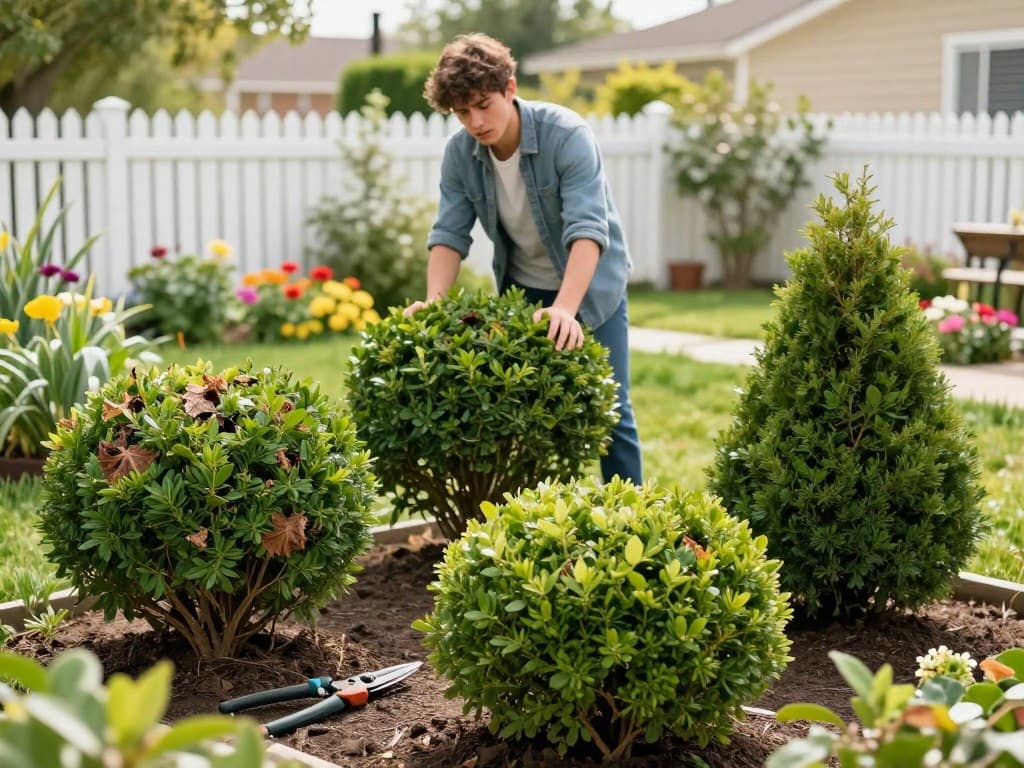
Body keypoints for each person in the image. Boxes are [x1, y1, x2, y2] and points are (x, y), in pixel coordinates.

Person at [405, 33, 642, 484]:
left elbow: (588, 229)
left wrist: (567, 309)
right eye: (461, 112)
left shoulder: (566, 135)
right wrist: (434, 303)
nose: (475, 121)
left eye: (483, 104)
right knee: (530, 415)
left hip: (592, 287)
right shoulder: (460, 154)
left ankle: (632, 521)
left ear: (510, 88)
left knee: (611, 411)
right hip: (524, 287)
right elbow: (449, 233)